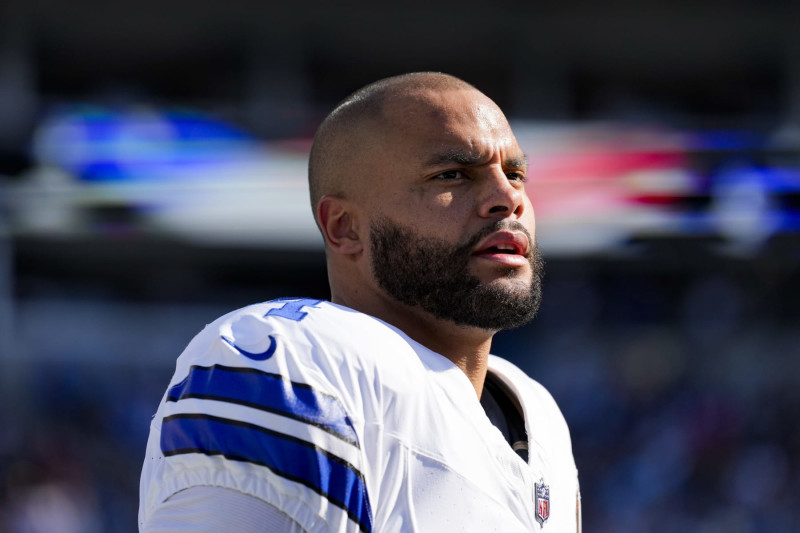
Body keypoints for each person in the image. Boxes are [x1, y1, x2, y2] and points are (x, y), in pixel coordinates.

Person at [139, 72, 581, 532]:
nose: (507, 198)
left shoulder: (540, 417)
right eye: (452, 175)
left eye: (515, 174)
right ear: (345, 227)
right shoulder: (288, 362)